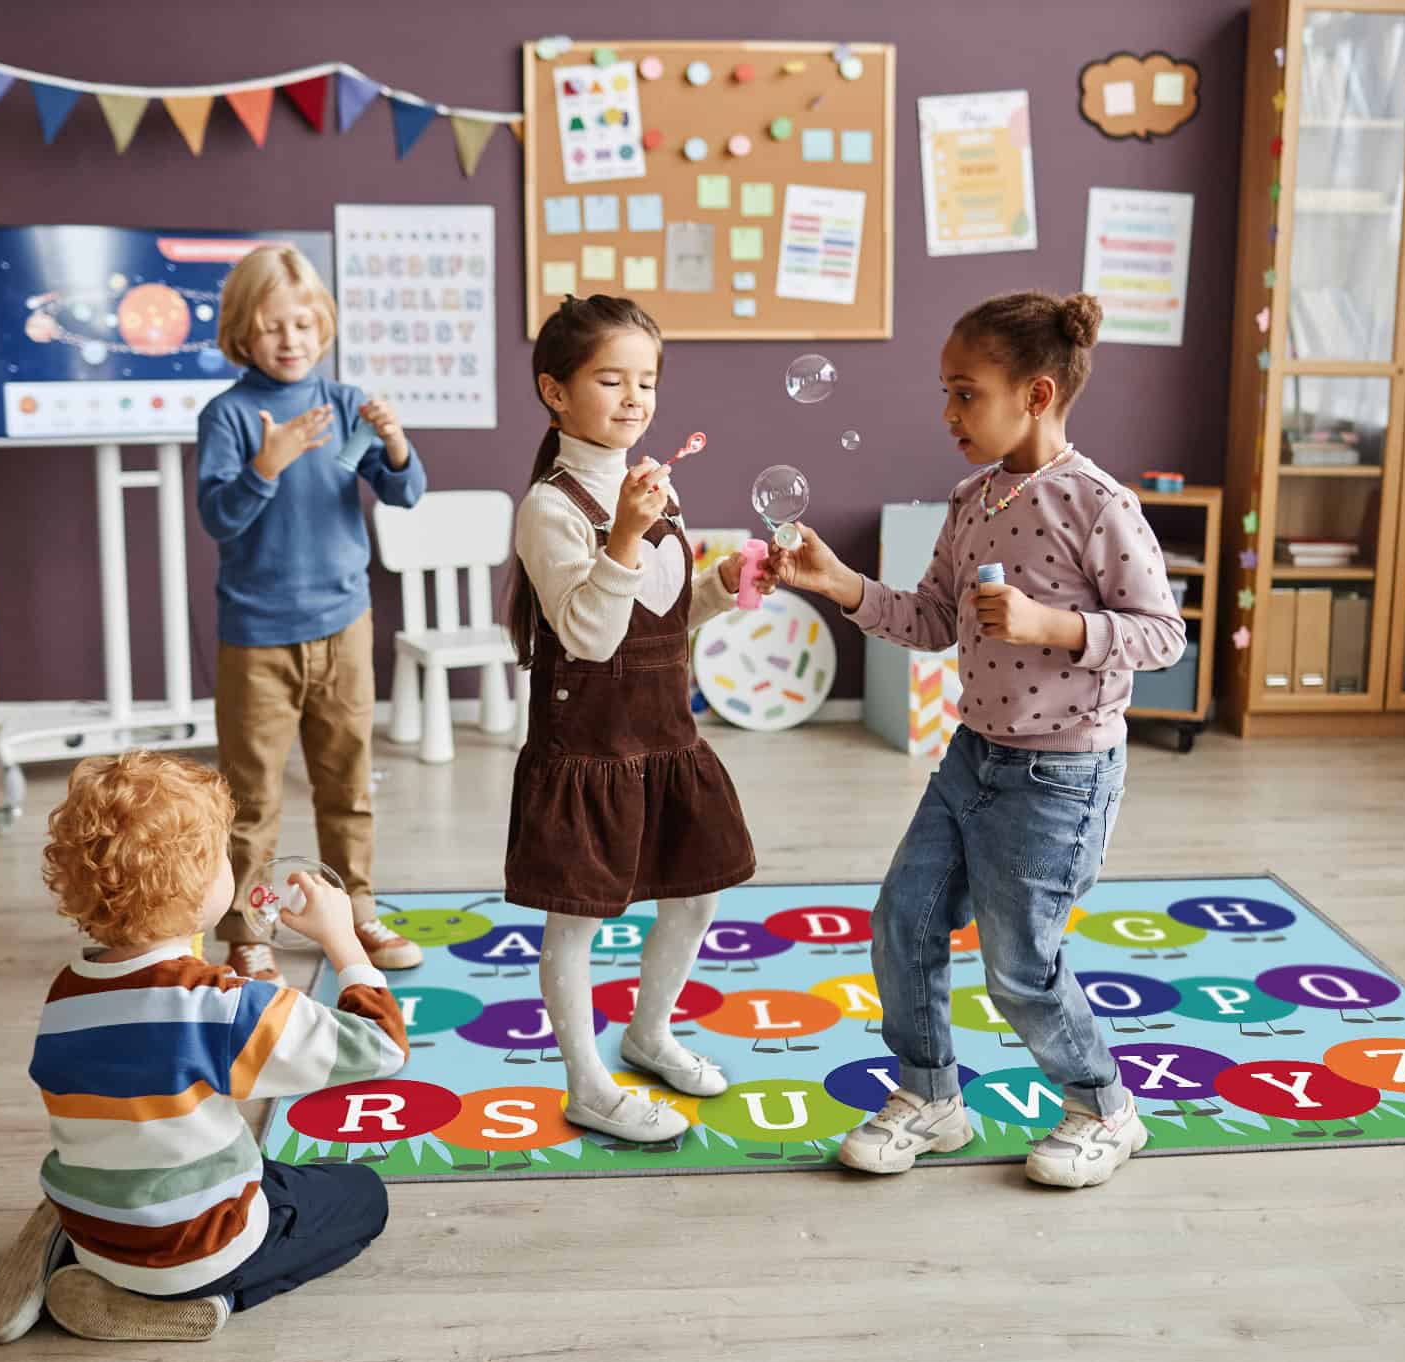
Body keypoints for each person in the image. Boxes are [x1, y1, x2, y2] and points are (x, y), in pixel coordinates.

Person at [773, 290, 1186, 1187]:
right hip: (971, 758)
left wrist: (1052, 625)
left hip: (1062, 774)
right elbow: (931, 618)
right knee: (903, 920)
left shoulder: (1098, 503)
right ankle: (931, 1096)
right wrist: (840, 583)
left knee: (1021, 965)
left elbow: (1163, 634)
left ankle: (1105, 1108)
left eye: (967, 394)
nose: (949, 413)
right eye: (947, 393)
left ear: (1036, 395)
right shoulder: (971, 498)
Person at [0, 752, 409, 1343]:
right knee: (362, 1196)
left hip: (98, 1224)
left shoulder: (66, 993)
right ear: (202, 884)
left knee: (253, 1169)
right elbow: (381, 1046)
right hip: (199, 1249)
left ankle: (75, 1250)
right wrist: (341, 939)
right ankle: (197, 1300)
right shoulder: (220, 1007)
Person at [502, 294, 771, 1143]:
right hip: (588, 745)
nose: (633, 398)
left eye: (646, 381)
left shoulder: (652, 487)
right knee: (577, 916)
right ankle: (587, 1083)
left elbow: (662, 616)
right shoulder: (549, 507)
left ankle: (649, 1032)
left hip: (663, 734)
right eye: (610, 379)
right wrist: (623, 533)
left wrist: (725, 585)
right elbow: (588, 635)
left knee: (695, 896)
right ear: (555, 392)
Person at [195, 245, 427, 983]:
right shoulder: (228, 415)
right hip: (257, 637)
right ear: (242, 333)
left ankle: (354, 912)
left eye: (302, 324)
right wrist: (268, 464)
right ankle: (247, 931)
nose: (289, 340)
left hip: (344, 626)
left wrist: (394, 443)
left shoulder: (344, 404)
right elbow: (219, 517)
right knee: (251, 796)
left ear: (323, 325)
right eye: (271, 327)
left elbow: (404, 493)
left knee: (347, 785)